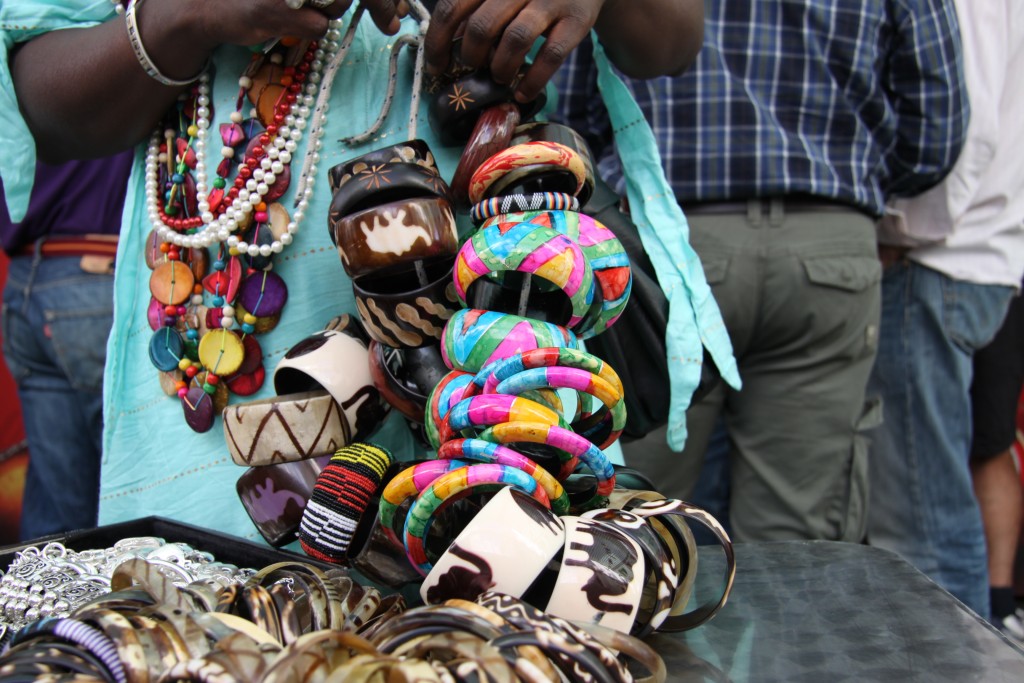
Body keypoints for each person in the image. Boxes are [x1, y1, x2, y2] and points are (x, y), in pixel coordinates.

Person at [0, 0, 711, 543]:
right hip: (221, 337)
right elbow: (44, 96)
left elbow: (673, 35)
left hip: (502, 321)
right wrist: (188, 11)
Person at [553, 0, 968, 542]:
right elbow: (934, 127)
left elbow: (577, 97)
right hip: (825, 248)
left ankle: (616, 616)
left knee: (626, 514)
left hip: (668, 242)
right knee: (797, 532)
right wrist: (846, 186)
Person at [866, 0, 1024, 619]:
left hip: (935, 257)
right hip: (968, 255)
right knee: (938, 490)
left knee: (920, 515)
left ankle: (956, 657)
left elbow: (968, 124)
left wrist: (897, 231)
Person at [0, 154, 132, 540]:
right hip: (95, 271)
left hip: (27, 278)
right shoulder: (115, 92)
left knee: (56, 504)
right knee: (129, 486)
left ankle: (37, 597)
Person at [970, 290, 1024, 639]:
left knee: (990, 444)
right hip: (996, 279)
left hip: (987, 278)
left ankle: (998, 604)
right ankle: (998, 603)